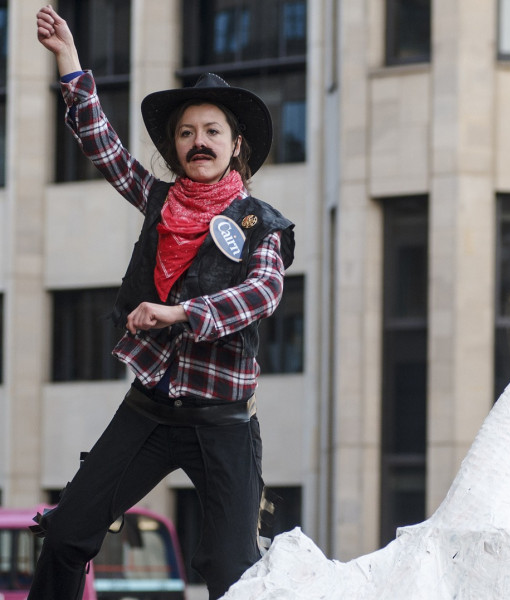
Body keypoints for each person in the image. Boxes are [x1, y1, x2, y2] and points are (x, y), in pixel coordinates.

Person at [32, 5, 295, 599]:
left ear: (236, 147)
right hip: (150, 410)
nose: (198, 142)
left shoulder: (262, 226)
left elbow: (264, 293)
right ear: (175, 147)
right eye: (186, 133)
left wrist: (181, 314)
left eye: (211, 132)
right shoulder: (158, 199)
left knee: (232, 574)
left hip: (224, 423)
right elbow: (106, 151)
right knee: (68, 532)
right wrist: (70, 61)